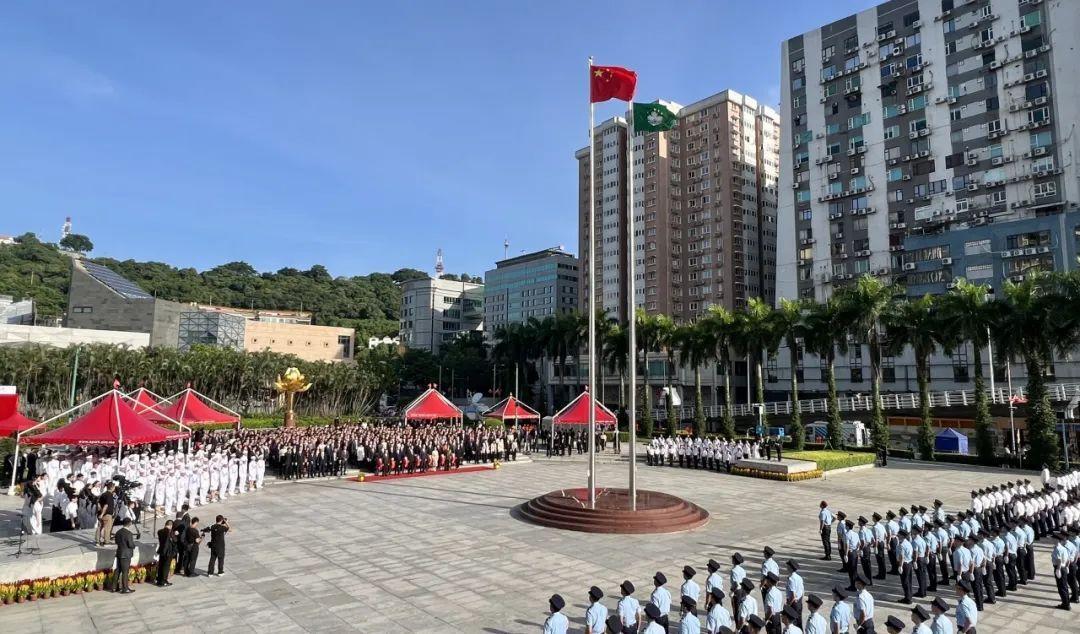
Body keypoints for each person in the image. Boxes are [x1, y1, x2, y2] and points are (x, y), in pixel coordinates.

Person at [113, 517, 137, 594]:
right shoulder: (129, 533)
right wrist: (134, 545)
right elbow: (130, 545)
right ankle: (125, 588)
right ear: (129, 523)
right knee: (125, 572)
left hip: (119, 552)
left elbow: (116, 541)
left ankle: (114, 587)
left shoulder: (118, 532)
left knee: (118, 570)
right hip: (126, 554)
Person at [1053, 531, 1073, 610]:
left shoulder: (1057, 548)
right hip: (1064, 568)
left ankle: (1065, 604)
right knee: (1064, 586)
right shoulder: (1063, 547)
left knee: (1061, 587)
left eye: (1053, 539)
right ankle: (1066, 603)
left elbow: (1059, 560)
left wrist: (1058, 569)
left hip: (1060, 568)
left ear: (1057, 540)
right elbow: (1068, 559)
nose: (1052, 540)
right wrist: (1067, 567)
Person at [156, 519, 177, 587]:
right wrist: (174, 534)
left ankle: (159, 580)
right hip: (168, 552)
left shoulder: (160, 531)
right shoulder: (170, 532)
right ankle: (164, 581)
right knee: (166, 566)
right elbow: (175, 540)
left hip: (162, 551)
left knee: (161, 565)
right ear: (170, 525)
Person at [96, 481, 117, 546]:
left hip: (100, 514)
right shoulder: (109, 495)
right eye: (114, 487)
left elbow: (98, 503)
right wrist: (102, 513)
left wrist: (100, 512)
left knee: (99, 527)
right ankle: (106, 541)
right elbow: (106, 505)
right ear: (112, 487)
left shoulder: (103, 494)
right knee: (107, 528)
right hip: (106, 514)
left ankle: (97, 541)